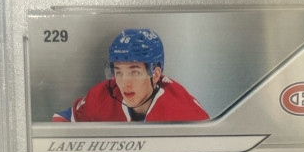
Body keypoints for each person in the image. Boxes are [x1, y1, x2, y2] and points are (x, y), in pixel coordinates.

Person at [52, 28, 209, 122]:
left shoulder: (184, 112)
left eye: (134, 72)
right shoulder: (101, 97)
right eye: (119, 72)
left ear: (155, 74)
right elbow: (62, 121)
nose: (125, 83)